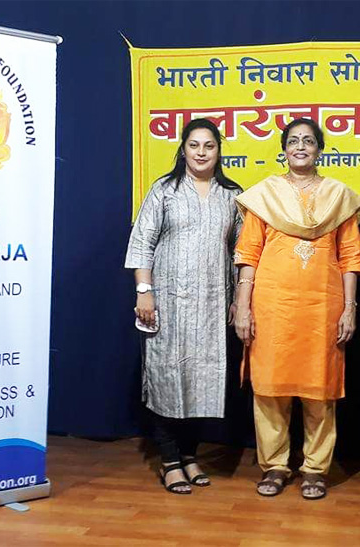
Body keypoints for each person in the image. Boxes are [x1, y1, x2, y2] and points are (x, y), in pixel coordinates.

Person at [233, 118, 360, 500]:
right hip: (272, 306)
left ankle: (315, 469)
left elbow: (351, 257)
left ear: (319, 149)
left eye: (309, 141)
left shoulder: (338, 197)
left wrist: (350, 308)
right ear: (284, 149)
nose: (301, 147)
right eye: (294, 141)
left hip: (322, 308)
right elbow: (248, 254)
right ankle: (274, 465)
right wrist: (243, 307)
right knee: (270, 390)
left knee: (319, 390)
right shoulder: (265, 196)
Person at [124, 118, 242, 494]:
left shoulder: (232, 194)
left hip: (211, 305)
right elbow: (142, 242)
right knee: (167, 379)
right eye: (194, 145)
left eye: (209, 145)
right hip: (168, 303)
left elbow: (242, 252)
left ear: (218, 150)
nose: (201, 153)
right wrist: (144, 291)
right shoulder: (165, 190)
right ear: (183, 149)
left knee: (200, 381)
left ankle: (190, 456)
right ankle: (170, 461)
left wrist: (239, 298)